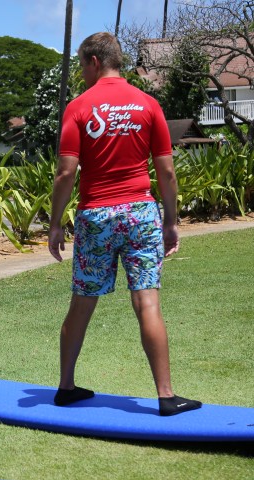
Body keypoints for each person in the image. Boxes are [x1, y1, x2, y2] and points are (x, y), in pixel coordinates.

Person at [48, 33, 201, 417]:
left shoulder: (79, 107)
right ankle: (166, 396)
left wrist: (54, 225)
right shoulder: (148, 104)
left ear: (95, 62)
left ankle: (66, 387)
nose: (81, 72)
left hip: (96, 215)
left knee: (82, 303)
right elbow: (166, 172)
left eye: (82, 64)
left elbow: (66, 173)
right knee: (147, 301)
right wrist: (170, 221)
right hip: (140, 214)